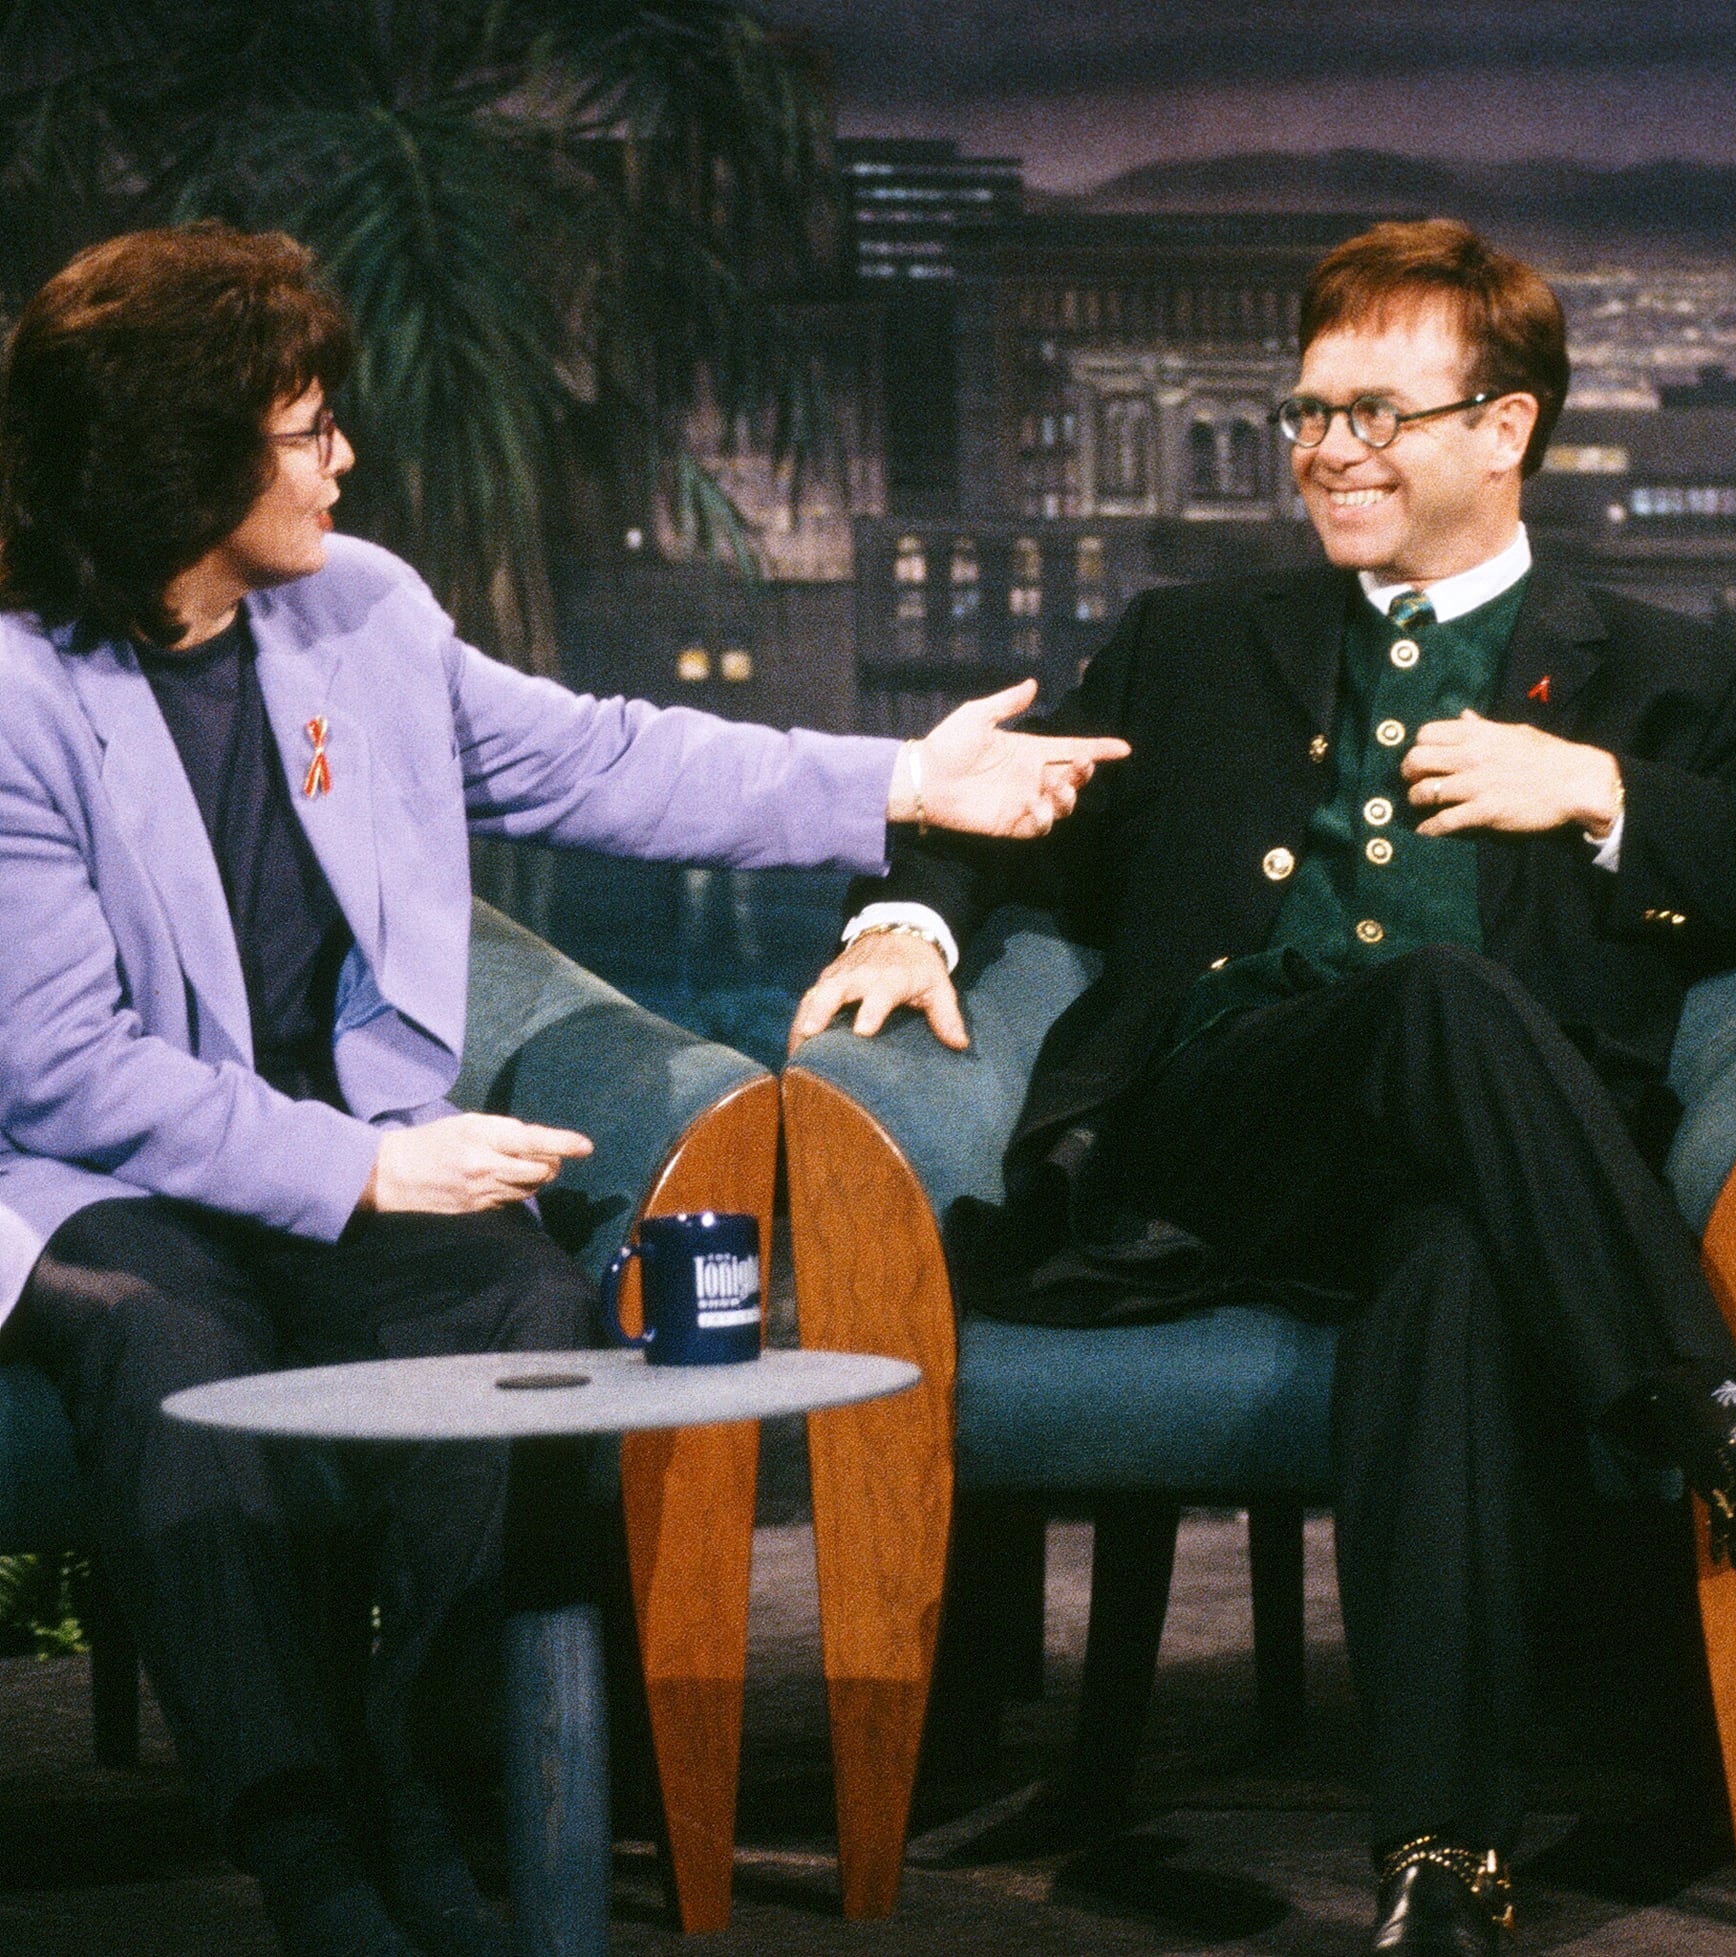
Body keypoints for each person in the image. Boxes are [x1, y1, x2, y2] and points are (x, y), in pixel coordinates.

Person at [0, 223, 1125, 1957]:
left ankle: (425, 1782)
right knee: (169, 1338)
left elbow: (601, 757)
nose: (343, 457)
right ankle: (303, 1843)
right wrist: (362, 1176)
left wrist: (906, 777)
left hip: (358, 1138)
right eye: (306, 428)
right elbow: (67, 1068)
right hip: (101, 1174)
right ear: (180, 456)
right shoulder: (18, 689)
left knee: (520, 1304)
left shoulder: (363, 612)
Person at [791, 219, 1736, 1955]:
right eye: (1312, 413)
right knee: (1432, 999)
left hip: (1490, 1185)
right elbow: (1007, 813)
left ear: (1505, 428)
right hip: (1213, 1141)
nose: (1328, 452)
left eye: (1378, 415)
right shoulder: (1191, 643)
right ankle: (1732, 1444)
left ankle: (1444, 1864)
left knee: (1450, 1262)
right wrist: (911, 919)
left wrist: (1600, 794)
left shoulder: (1673, 676)